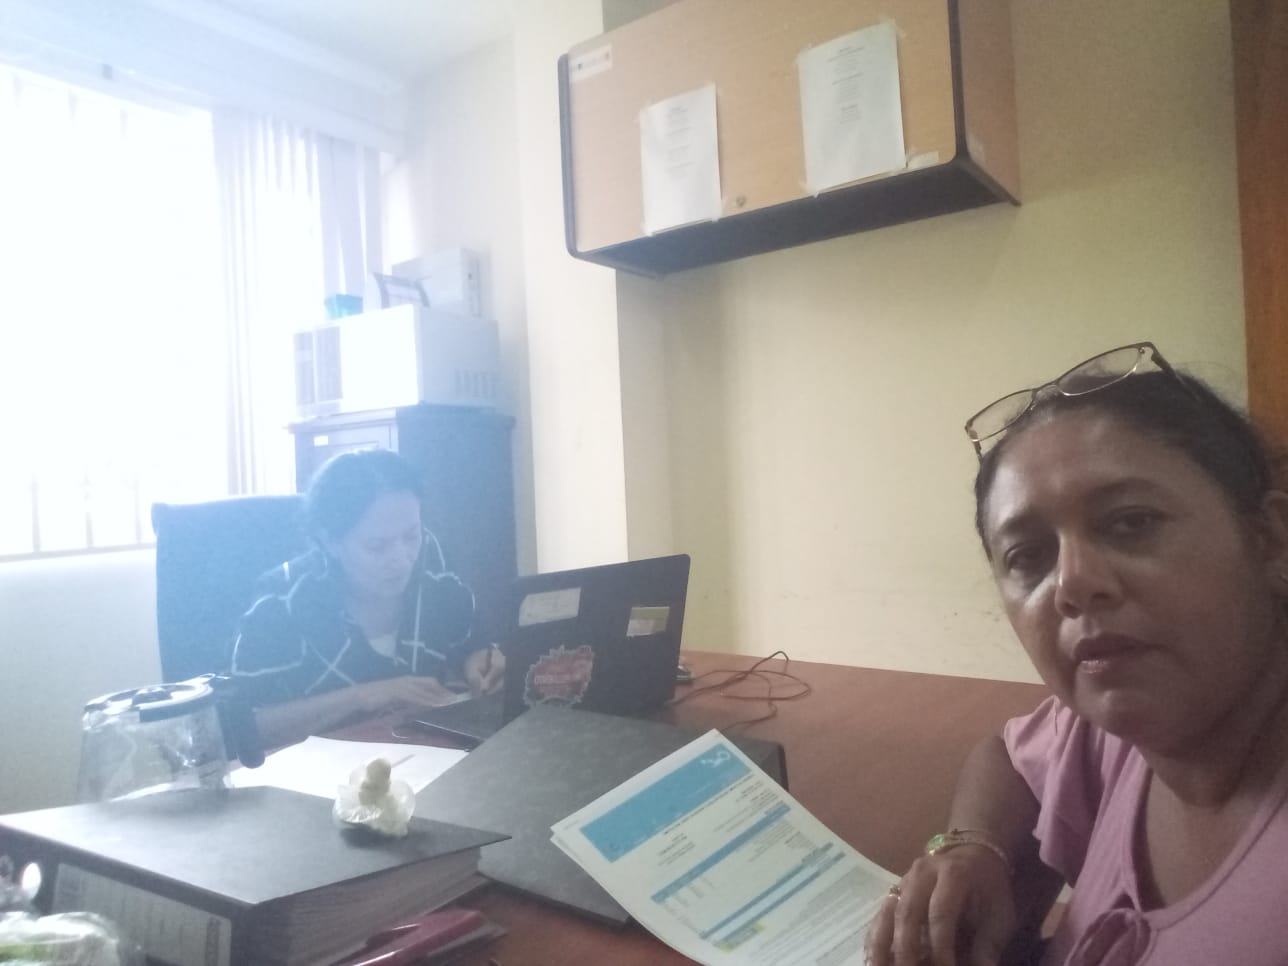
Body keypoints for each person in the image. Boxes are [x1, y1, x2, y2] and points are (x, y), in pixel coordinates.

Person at [866, 342, 1288, 966]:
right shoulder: (1118, 732)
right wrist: (971, 846)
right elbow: (1007, 758)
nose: (1072, 583)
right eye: (1027, 556)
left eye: (1131, 523)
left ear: (1271, 538)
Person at [230, 449, 505, 748]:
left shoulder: (433, 569)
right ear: (329, 541)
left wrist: (480, 663)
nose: (401, 559)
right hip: (326, 771)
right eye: (377, 546)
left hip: (426, 759)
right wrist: (363, 696)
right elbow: (246, 726)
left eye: (411, 536)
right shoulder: (283, 603)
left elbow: (472, 642)